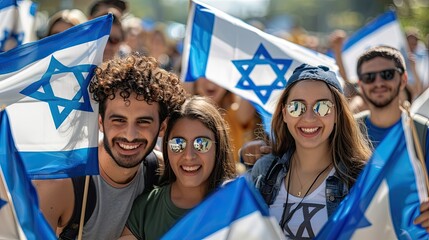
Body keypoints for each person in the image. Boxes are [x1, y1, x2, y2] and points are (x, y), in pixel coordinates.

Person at [33, 54, 187, 239]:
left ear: (162, 127)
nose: (130, 135)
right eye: (118, 120)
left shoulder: (163, 171)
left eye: (143, 122)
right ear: (100, 122)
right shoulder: (60, 184)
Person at [248, 64, 373, 238]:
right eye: (296, 107)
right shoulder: (264, 170)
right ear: (284, 113)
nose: (308, 118)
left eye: (322, 107)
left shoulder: (362, 178)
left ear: (337, 113)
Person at [120, 96, 237, 239]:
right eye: (178, 144)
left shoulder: (237, 205)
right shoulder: (145, 209)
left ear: (218, 147)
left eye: (201, 143)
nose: (189, 155)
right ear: (166, 147)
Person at [355, 46, 429, 165]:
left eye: (387, 74)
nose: (378, 83)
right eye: (369, 77)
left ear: (403, 80)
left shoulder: (424, 133)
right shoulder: (348, 130)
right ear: (361, 86)